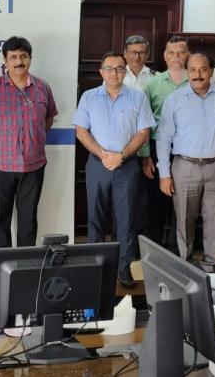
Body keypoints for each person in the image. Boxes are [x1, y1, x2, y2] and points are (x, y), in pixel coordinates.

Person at [72, 51, 155, 288]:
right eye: (109, 68)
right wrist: (103, 154)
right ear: (101, 72)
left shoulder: (138, 97)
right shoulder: (89, 97)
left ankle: (123, 269)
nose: (114, 73)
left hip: (127, 165)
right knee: (95, 218)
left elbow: (143, 132)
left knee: (126, 220)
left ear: (124, 71)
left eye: (119, 68)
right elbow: (81, 131)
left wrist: (121, 156)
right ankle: (94, 267)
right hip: (98, 164)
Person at [158, 52, 215, 273]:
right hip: (184, 167)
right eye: (192, 70)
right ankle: (185, 263)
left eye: (203, 69)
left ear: (211, 71)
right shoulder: (174, 99)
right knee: (184, 218)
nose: (198, 74)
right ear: (187, 72)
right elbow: (164, 138)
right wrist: (164, 174)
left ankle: (211, 264)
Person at [0, 36, 58, 248]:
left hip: (33, 165)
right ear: (5, 60)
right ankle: (3, 264)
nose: (19, 62)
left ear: (30, 58)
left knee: (28, 220)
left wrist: (34, 139)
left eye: (23, 56)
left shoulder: (43, 88)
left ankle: (25, 264)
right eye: (13, 57)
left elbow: (49, 118)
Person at [139, 36, 190, 252]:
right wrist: (145, 156)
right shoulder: (153, 84)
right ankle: (153, 250)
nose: (177, 57)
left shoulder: (196, 82)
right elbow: (143, 122)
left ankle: (177, 250)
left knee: (183, 204)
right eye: (172, 52)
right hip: (157, 149)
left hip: (187, 151)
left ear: (188, 55)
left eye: (181, 52)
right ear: (164, 56)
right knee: (155, 203)